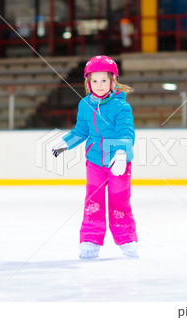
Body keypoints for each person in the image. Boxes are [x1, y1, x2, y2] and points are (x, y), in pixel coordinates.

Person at [52, 55, 138, 259]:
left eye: (104, 80)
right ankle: (90, 240)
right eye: (94, 81)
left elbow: (127, 133)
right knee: (94, 200)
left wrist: (120, 154)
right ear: (88, 83)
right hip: (95, 161)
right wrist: (65, 143)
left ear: (112, 81)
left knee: (119, 200)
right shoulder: (85, 105)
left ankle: (127, 239)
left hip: (118, 160)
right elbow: (81, 131)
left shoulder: (121, 107)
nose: (99, 85)